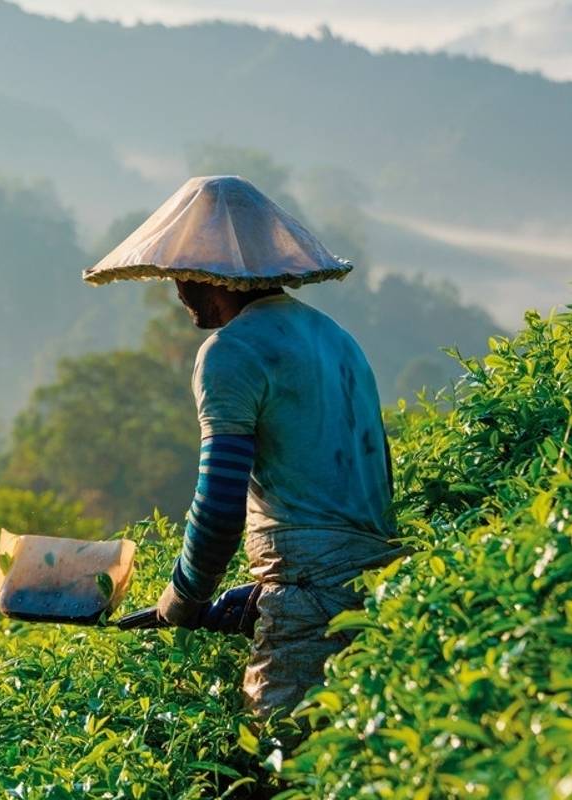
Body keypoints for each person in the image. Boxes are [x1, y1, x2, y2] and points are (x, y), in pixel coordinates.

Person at [84, 175, 404, 721]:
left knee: (280, 758)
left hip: (310, 603)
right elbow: (335, 504)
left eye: (185, 273)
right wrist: (251, 595)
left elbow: (220, 504)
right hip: (383, 588)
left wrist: (183, 598)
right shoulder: (337, 340)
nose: (179, 291)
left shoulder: (230, 352)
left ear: (217, 276)